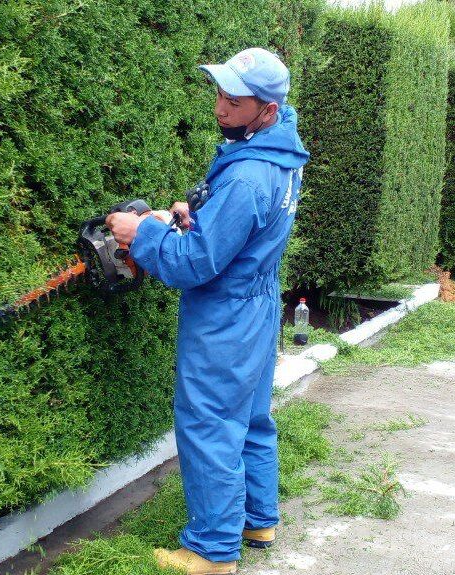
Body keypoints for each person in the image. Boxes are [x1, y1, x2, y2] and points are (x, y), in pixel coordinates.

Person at [106, 47, 309, 575]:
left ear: (265, 108)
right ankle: (259, 519)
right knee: (251, 418)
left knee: (211, 423)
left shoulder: (246, 177)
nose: (220, 106)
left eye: (233, 100)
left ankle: (211, 552)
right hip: (259, 301)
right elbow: (242, 232)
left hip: (226, 314)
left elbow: (196, 265)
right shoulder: (279, 154)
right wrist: (198, 216)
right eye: (219, 91)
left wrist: (143, 233)